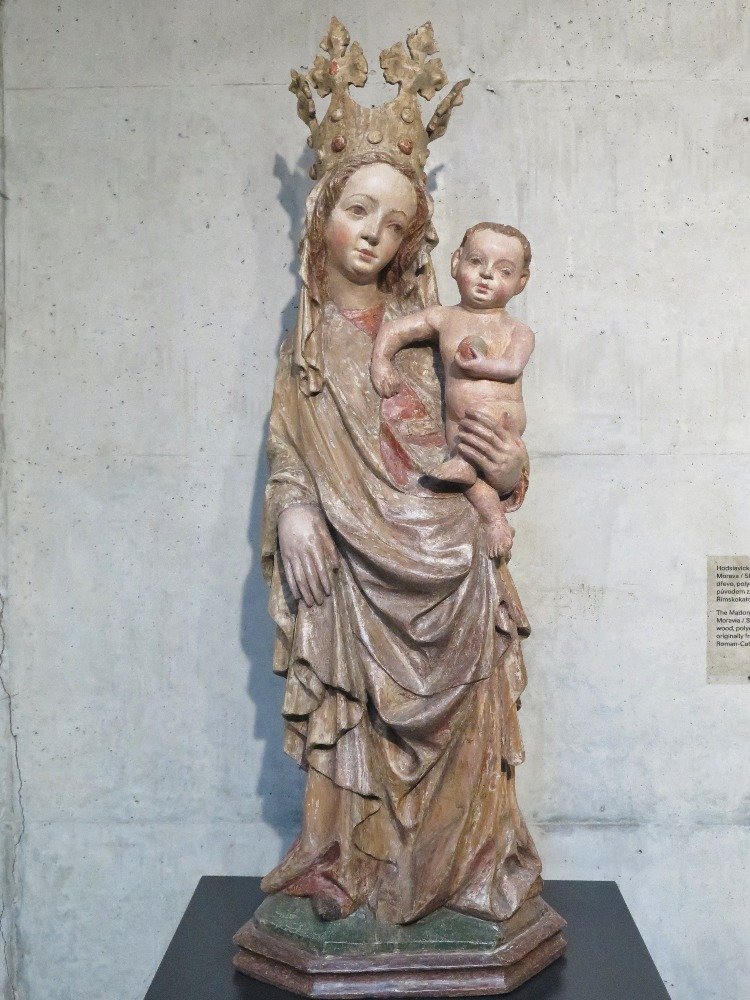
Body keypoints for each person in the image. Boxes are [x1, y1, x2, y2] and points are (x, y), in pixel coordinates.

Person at [260, 150, 542, 925]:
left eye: (393, 225)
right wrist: (294, 509)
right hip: (355, 564)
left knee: (467, 719)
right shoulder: (305, 346)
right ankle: (348, 860)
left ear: (411, 242)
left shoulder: (433, 330)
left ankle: (455, 869)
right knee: (345, 681)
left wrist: (509, 470)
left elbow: (484, 432)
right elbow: (289, 446)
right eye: (357, 211)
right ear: (322, 215)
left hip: (451, 555)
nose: (371, 235)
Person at [370, 222, 534, 559]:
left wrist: (479, 366)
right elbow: (395, 330)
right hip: (459, 430)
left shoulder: (517, 330)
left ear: (521, 282)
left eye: (504, 271)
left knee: (473, 465)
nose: (487, 275)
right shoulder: (444, 318)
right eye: (476, 262)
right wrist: (381, 360)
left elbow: (512, 366)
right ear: (455, 262)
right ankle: (496, 522)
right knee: (469, 481)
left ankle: (469, 470)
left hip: (501, 426)